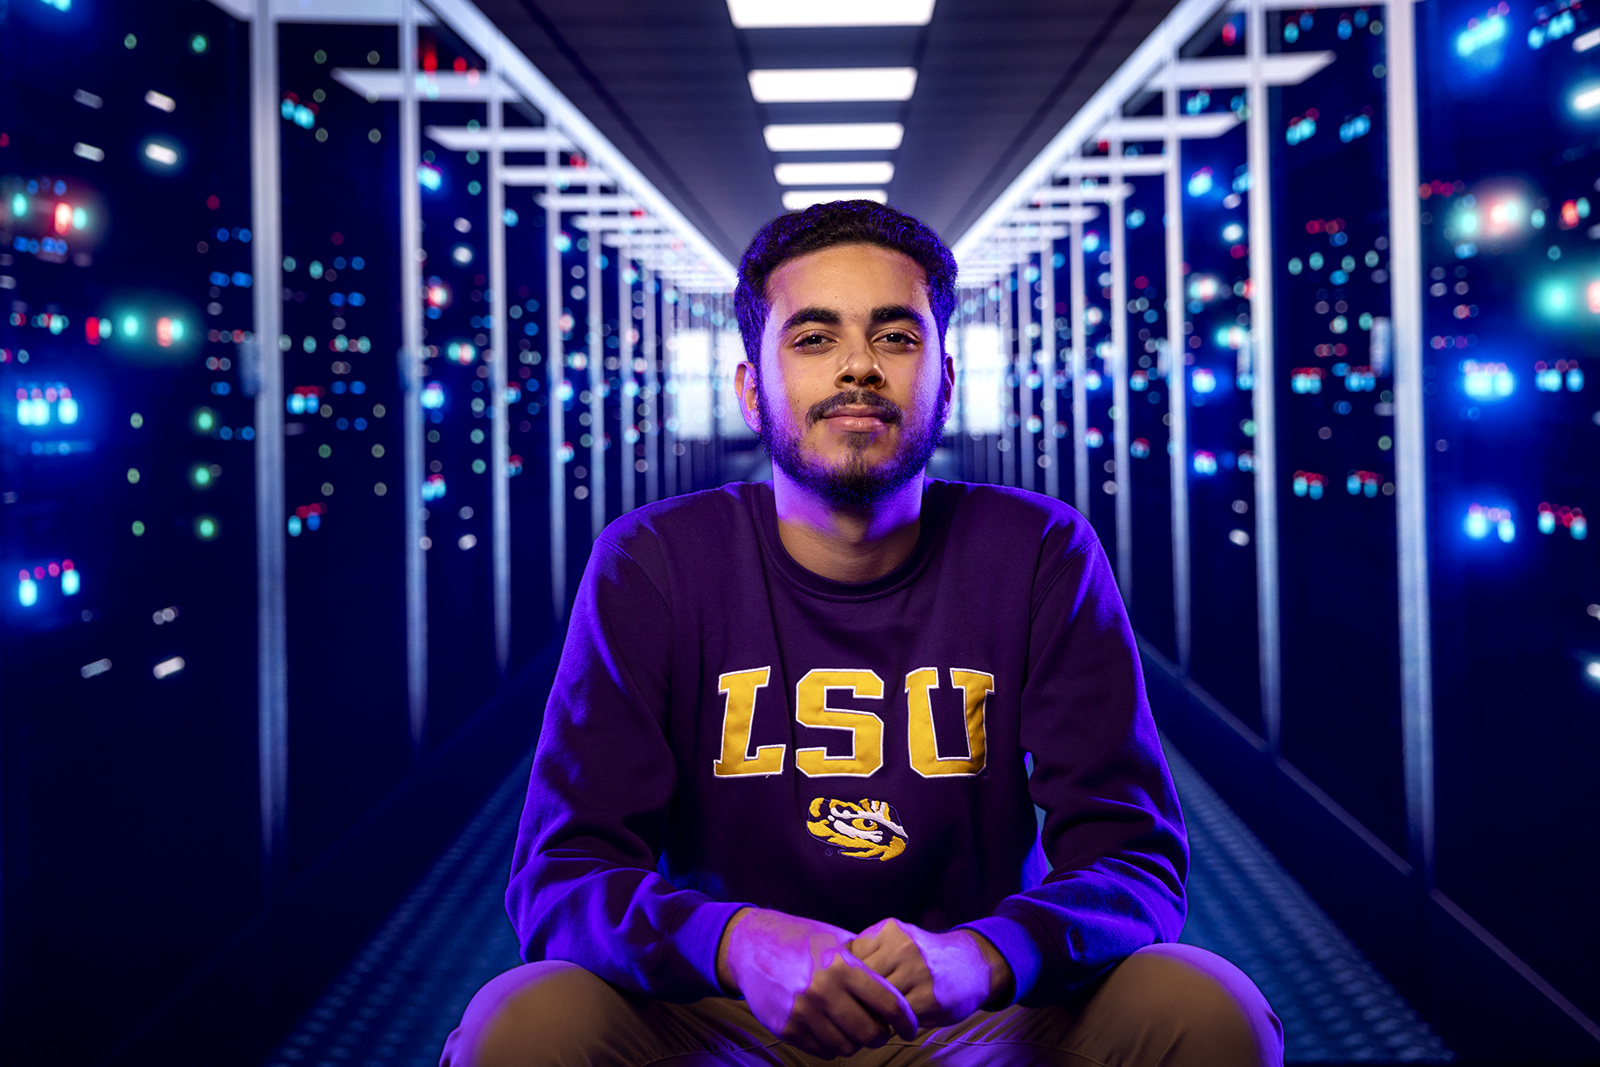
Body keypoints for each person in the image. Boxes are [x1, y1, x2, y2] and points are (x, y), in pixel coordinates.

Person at [441, 201, 1283, 1066]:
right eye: (812, 338)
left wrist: (986, 954)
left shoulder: (1038, 552)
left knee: (1207, 1005)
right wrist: (734, 943)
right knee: (521, 1019)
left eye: (895, 337)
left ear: (945, 380)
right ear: (750, 386)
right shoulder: (652, 562)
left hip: (971, 1012)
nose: (857, 366)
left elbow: (1133, 859)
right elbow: (560, 876)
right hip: (727, 1014)